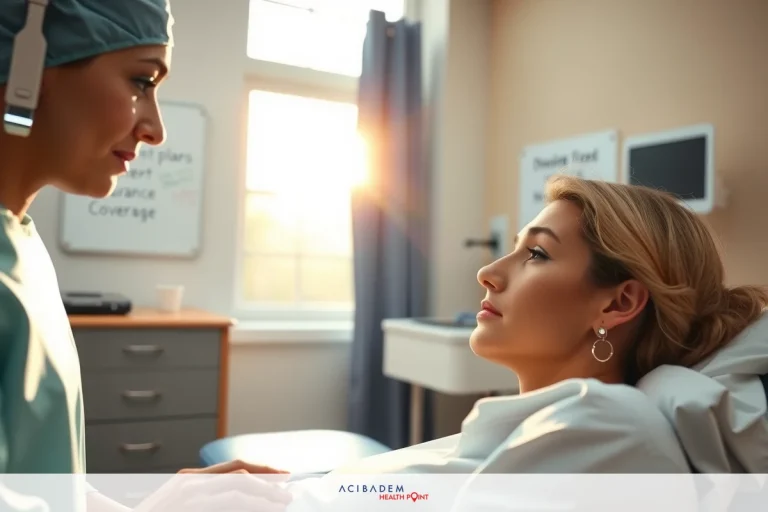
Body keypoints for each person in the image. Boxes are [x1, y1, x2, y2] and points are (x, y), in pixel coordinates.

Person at [271, 175, 768, 510]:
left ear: (617, 305)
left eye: (535, 253)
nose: (488, 273)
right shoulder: (542, 425)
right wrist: (293, 488)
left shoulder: (606, 428)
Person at [0, 1, 291, 511]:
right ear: (29, 61)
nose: (156, 129)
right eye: (141, 81)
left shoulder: (22, 243)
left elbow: (41, 486)